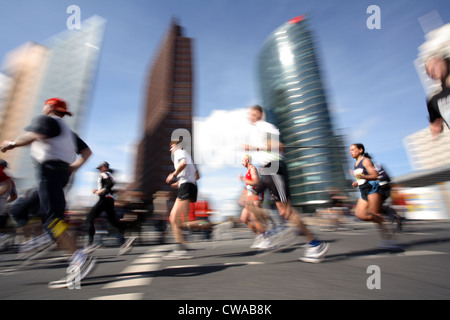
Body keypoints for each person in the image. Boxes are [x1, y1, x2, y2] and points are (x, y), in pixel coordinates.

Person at [0, 97, 94, 288]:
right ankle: (48, 239)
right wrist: (73, 168)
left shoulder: (47, 120)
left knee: (51, 220)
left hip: (49, 172)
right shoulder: (68, 131)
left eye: (46, 106)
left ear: (50, 107)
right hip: (60, 174)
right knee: (48, 215)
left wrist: (12, 144)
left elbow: (33, 136)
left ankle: (79, 257)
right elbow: (87, 152)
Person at [244, 105, 329, 263]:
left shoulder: (266, 127)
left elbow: (277, 146)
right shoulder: (257, 131)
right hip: (268, 170)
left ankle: (314, 244)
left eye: (254, 113)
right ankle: (274, 232)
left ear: (260, 114)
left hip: (274, 168)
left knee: (286, 211)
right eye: (250, 113)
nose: (251, 116)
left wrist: (253, 148)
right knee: (266, 206)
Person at [84, 161, 135, 255]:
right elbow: (111, 184)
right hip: (109, 200)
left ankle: (89, 244)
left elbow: (110, 183)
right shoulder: (108, 174)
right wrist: (99, 191)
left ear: (104, 167)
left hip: (104, 200)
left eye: (100, 168)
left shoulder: (104, 174)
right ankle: (124, 241)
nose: (99, 170)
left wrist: (100, 191)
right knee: (113, 222)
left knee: (89, 219)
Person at [350, 143, 396, 246]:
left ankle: (389, 240)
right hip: (363, 190)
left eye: (353, 149)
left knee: (373, 213)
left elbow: (375, 176)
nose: (351, 152)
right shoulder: (355, 164)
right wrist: (357, 183)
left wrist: (363, 178)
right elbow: (361, 178)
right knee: (360, 214)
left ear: (360, 150)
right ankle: (387, 220)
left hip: (372, 189)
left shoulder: (365, 161)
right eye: (350, 150)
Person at [164, 137, 199, 260]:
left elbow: (183, 164)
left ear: (177, 146)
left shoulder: (180, 152)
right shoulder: (188, 154)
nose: (170, 149)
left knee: (174, 218)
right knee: (176, 219)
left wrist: (173, 175)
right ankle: (181, 247)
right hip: (189, 186)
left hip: (186, 187)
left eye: (171, 146)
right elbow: (197, 175)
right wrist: (180, 182)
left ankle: (181, 249)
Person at [238, 154, 274, 248]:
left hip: (256, 195)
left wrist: (243, 179)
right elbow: (248, 185)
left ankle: (267, 237)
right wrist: (243, 195)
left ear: (247, 160)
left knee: (255, 217)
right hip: (249, 197)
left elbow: (256, 181)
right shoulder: (247, 171)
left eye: (242, 160)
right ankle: (260, 235)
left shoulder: (252, 169)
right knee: (244, 219)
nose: (241, 162)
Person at [424, 55, 450, 138]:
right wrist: (435, 127)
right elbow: (436, 126)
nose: (431, 72)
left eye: (434, 66)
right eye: (428, 72)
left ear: (443, 61)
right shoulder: (434, 101)